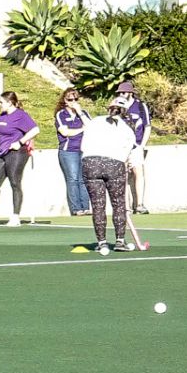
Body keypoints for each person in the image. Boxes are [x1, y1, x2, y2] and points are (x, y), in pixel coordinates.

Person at [79, 97, 140, 254]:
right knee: (118, 204)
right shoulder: (127, 129)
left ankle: (102, 243)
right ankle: (120, 241)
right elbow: (129, 154)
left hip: (90, 163)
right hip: (114, 164)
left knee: (98, 205)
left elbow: (83, 145)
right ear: (125, 111)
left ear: (109, 107)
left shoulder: (95, 121)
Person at [0, 91, 39, 227]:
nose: (0, 105)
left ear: (9, 103)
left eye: (1, 102)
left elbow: (35, 130)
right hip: (2, 153)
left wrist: (20, 142)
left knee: (15, 183)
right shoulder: (2, 116)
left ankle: (15, 217)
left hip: (17, 153)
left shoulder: (21, 115)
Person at [116, 79, 152, 214]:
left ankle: (140, 204)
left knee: (139, 172)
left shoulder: (140, 106)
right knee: (123, 176)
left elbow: (147, 126)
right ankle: (126, 207)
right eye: (120, 93)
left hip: (136, 146)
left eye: (124, 92)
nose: (121, 95)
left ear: (130, 93)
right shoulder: (117, 106)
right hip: (121, 147)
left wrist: (142, 145)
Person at [54, 88, 91, 217]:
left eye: (75, 99)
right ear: (65, 101)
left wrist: (80, 112)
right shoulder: (61, 115)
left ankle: (86, 207)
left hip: (84, 150)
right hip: (69, 151)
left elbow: (91, 127)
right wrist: (82, 129)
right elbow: (65, 132)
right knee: (73, 179)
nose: (73, 102)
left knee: (83, 179)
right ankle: (76, 208)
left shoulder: (83, 113)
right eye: (70, 99)